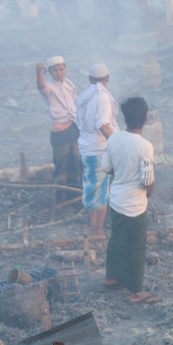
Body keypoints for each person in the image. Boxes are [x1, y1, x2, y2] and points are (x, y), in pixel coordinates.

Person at [101, 97, 158, 304]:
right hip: (134, 204)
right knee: (136, 246)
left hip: (115, 199)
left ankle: (111, 277)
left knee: (117, 238)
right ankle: (136, 291)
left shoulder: (114, 139)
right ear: (144, 118)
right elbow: (147, 180)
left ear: (125, 118)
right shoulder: (145, 146)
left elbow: (106, 167)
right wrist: (150, 191)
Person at [77, 63, 118, 237]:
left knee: (91, 188)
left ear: (89, 79)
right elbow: (102, 124)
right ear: (107, 79)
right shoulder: (102, 97)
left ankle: (93, 226)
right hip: (99, 148)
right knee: (101, 191)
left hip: (86, 147)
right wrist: (119, 142)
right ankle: (98, 230)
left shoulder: (85, 95)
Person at [36, 56, 81, 203]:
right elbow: (41, 87)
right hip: (60, 131)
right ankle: (61, 199)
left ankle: (75, 196)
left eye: (61, 69)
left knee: (76, 161)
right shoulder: (49, 87)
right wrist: (39, 74)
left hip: (74, 126)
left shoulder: (69, 84)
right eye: (55, 71)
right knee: (62, 165)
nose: (59, 73)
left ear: (65, 69)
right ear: (50, 73)